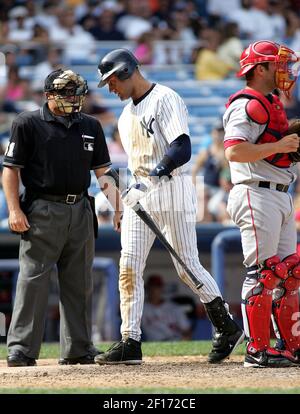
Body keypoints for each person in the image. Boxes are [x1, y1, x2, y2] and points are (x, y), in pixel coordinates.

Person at [94, 48, 244, 365]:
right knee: (128, 266)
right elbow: (130, 168)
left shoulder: (165, 97)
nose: (110, 88)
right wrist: (121, 203)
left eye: (111, 81)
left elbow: (182, 147)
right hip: (138, 195)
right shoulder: (123, 117)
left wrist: (154, 176)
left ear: (125, 71)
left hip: (172, 187)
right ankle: (130, 340)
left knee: (186, 266)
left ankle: (226, 326)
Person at [2, 68, 121, 367]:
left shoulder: (91, 125)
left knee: (79, 282)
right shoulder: (28, 122)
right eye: (65, 92)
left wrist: (119, 207)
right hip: (42, 209)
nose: (72, 97)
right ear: (48, 95)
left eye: (76, 92)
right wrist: (14, 210)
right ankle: (22, 349)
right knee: (33, 280)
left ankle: (78, 348)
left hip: (81, 208)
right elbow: (10, 170)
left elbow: (103, 172)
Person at [223, 40, 300, 367]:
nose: (284, 71)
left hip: (280, 194)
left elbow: (273, 151)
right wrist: (281, 144)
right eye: (276, 65)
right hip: (255, 192)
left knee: (290, 274)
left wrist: (287, 149)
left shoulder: (272, 102)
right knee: (264, 273)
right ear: (259, 68)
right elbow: (234, 151)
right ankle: (257, 350)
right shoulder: (246, 103)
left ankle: (290, 346)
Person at [142, 274, 192, 341]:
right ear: (147, 288)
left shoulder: (174, 308)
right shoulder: (141, 309)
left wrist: (184, 340)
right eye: (152, 287)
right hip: (154, 343)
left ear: (161, 288)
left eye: (157, 287)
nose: (154, 290)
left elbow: (186, 330)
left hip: (174, 341)